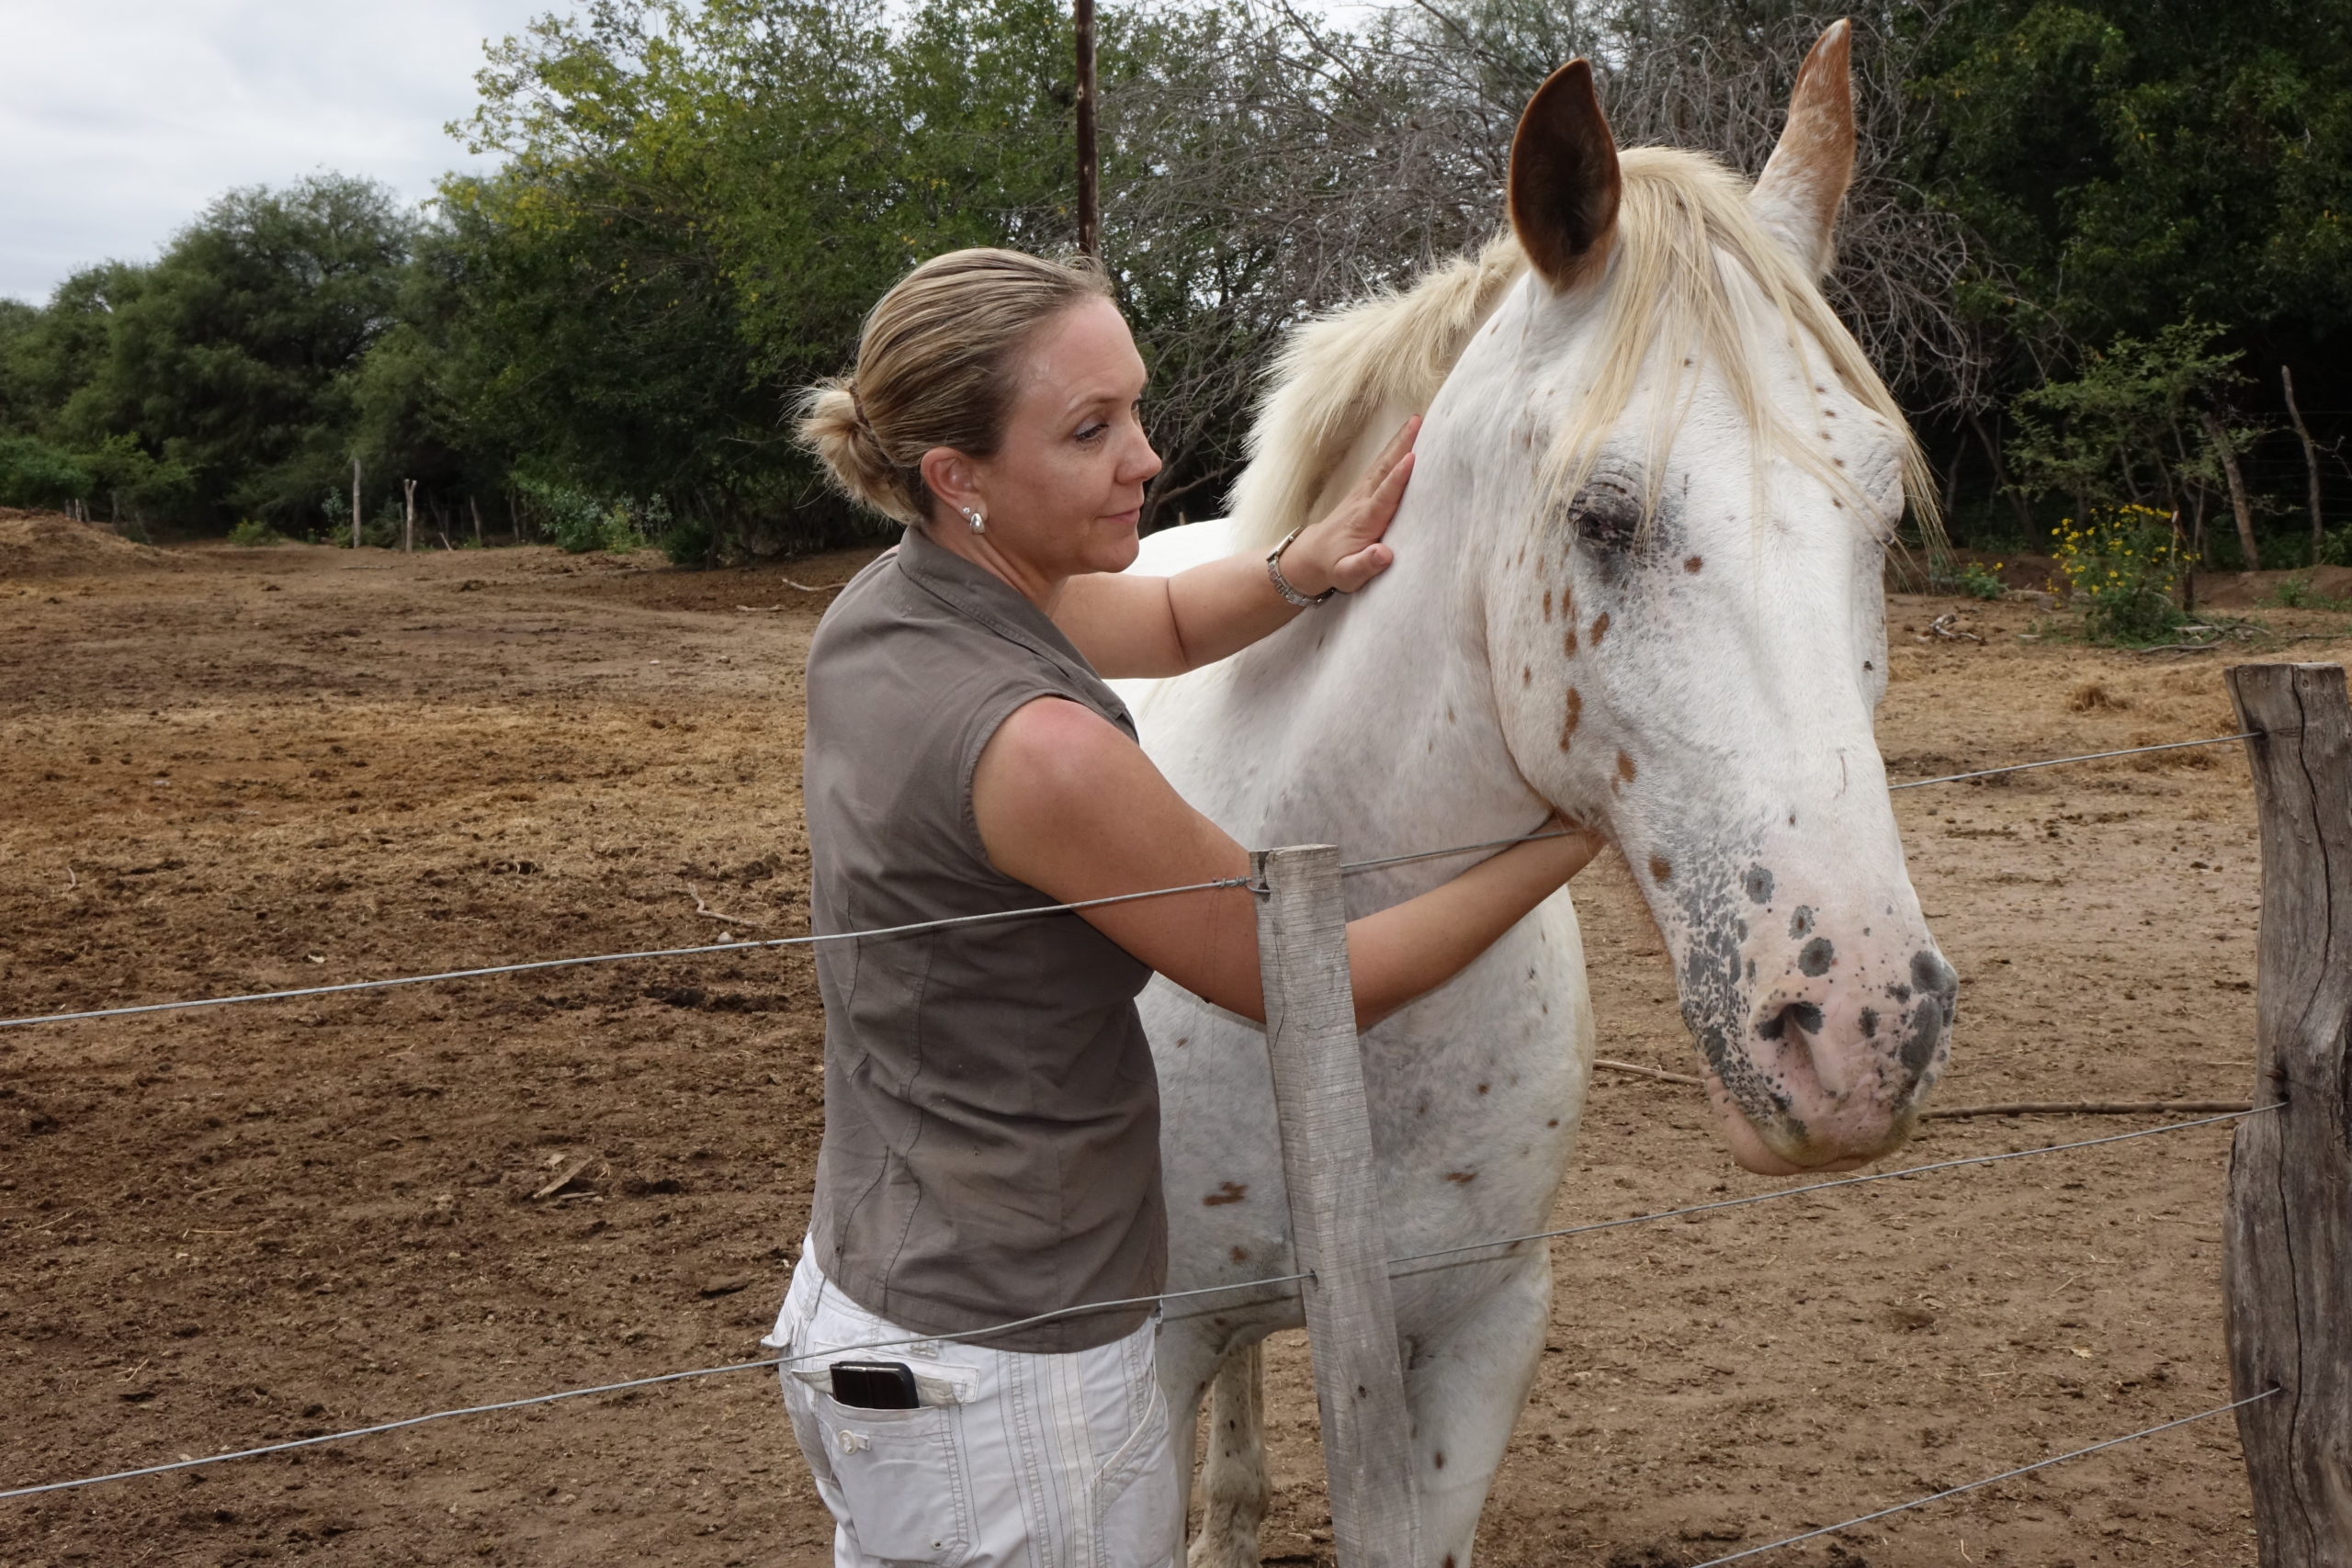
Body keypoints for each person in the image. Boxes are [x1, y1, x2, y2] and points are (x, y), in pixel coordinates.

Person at [768, 247, 1600, 1568]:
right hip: (1014, 1369)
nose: (1148, 458)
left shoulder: (894, 615)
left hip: (880, 1303)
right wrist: (1560, 836)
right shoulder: (1043, 752)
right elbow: (1308, 981)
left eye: (1135, 409)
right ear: (957, 476)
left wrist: (1293, 569)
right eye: (1090, 430)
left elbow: (1151, 619)